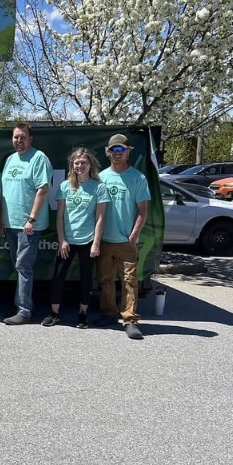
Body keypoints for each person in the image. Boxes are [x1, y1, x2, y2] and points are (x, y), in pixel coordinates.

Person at [43, 147, 110, 329]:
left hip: (88, 241)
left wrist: (96, 243)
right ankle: (54, 313)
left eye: (84, 163)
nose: (80, 166)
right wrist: (62, 239)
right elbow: (59, 216)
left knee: (86, 279)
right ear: (72, 165)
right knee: (58, 277)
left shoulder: (99, 187)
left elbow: (100, 218)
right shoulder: (65, 186)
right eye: (77, 162)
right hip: (68, 241)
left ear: (90, 165)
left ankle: (82, 314)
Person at [96, 134, 151, 340]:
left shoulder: (138, 178)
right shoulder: (101, 177)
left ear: (128, 151)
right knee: (105, 280)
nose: (117, 154)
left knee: (129, 282)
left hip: (126, 241)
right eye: (113, 150)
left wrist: (134, 234)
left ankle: (130, 320)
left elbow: (143, 211)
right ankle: (109, 314)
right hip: (104, 240)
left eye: (121, 150)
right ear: (107, 152)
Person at [0, 122, 53, 325]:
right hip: (11, 223)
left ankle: (24, 310)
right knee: (19, 265)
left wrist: (31, 219)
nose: (18, 141)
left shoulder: (39, 158)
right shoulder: (11, 159)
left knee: (23, 266)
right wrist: (2, 219)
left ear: (31, 139)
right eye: (15, 137)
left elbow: (43, 189)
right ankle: (21, 305)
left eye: (22, 137)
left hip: (28, 225)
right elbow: (4, 192)